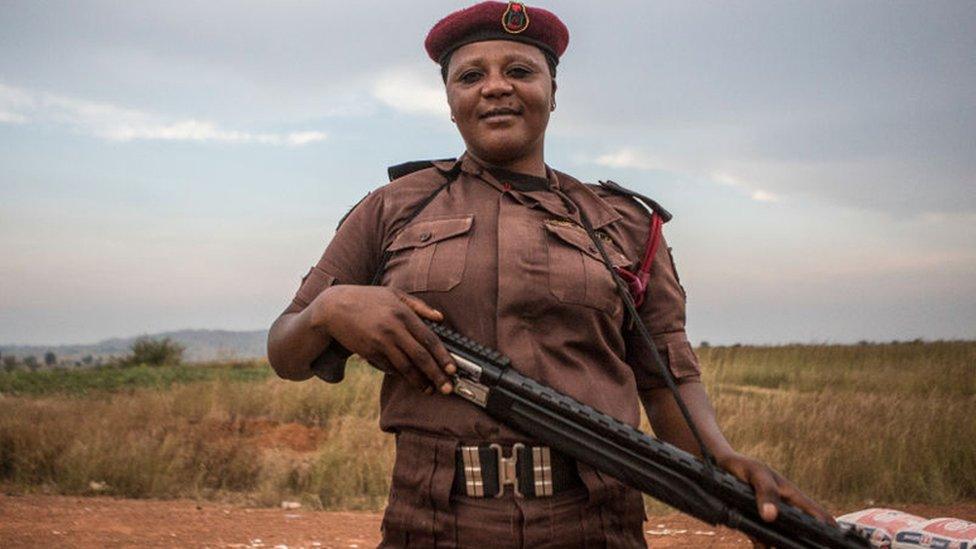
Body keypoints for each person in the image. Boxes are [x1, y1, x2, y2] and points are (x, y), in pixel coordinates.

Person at [268, 1, 834, 547]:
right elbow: (285, 349)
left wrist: (722, 460)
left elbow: (666, 379)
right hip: (432, 519)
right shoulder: (394, 208)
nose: (495, 86)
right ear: (449, 99)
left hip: (595, 521)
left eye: (519, 70)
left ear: (553, 92)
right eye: (471, 76)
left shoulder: (625, 224)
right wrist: (332, 307)